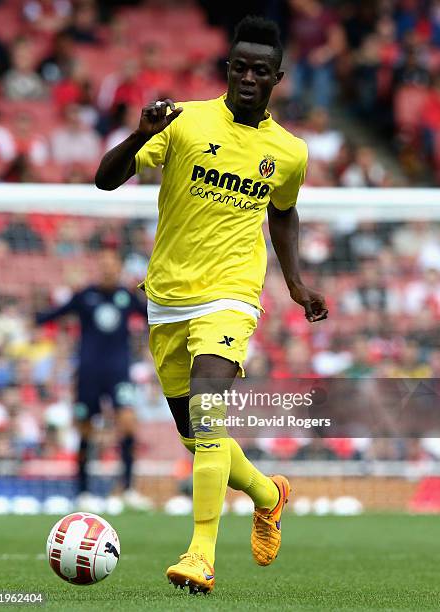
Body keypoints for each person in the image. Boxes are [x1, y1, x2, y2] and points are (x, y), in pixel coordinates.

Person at [95, 16, 328, 594]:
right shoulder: (185, 122)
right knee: (201, 436)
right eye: (239, 67)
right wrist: (138, 131)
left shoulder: (289, 152)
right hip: (168, 297)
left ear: (277, 77)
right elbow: (105, 180)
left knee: (209, 412)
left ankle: (200, 554)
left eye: (260, 71)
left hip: (231, 296)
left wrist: (296, 284)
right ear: (228, 69)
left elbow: (283, 211)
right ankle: (269, 495)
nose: (248, 77)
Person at [35, 247, 151, 509]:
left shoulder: (126, 296)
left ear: (120, 268)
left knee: (128, 423)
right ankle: (83, 491)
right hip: (88, 372)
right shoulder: (85, 295)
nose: (108, 268)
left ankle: (129, 489)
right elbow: (55, 314)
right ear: (98, 267)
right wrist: (35, 314)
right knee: (85, 428)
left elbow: (150, 318)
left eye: (112, 264)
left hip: (119, 371)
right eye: (104, 263)